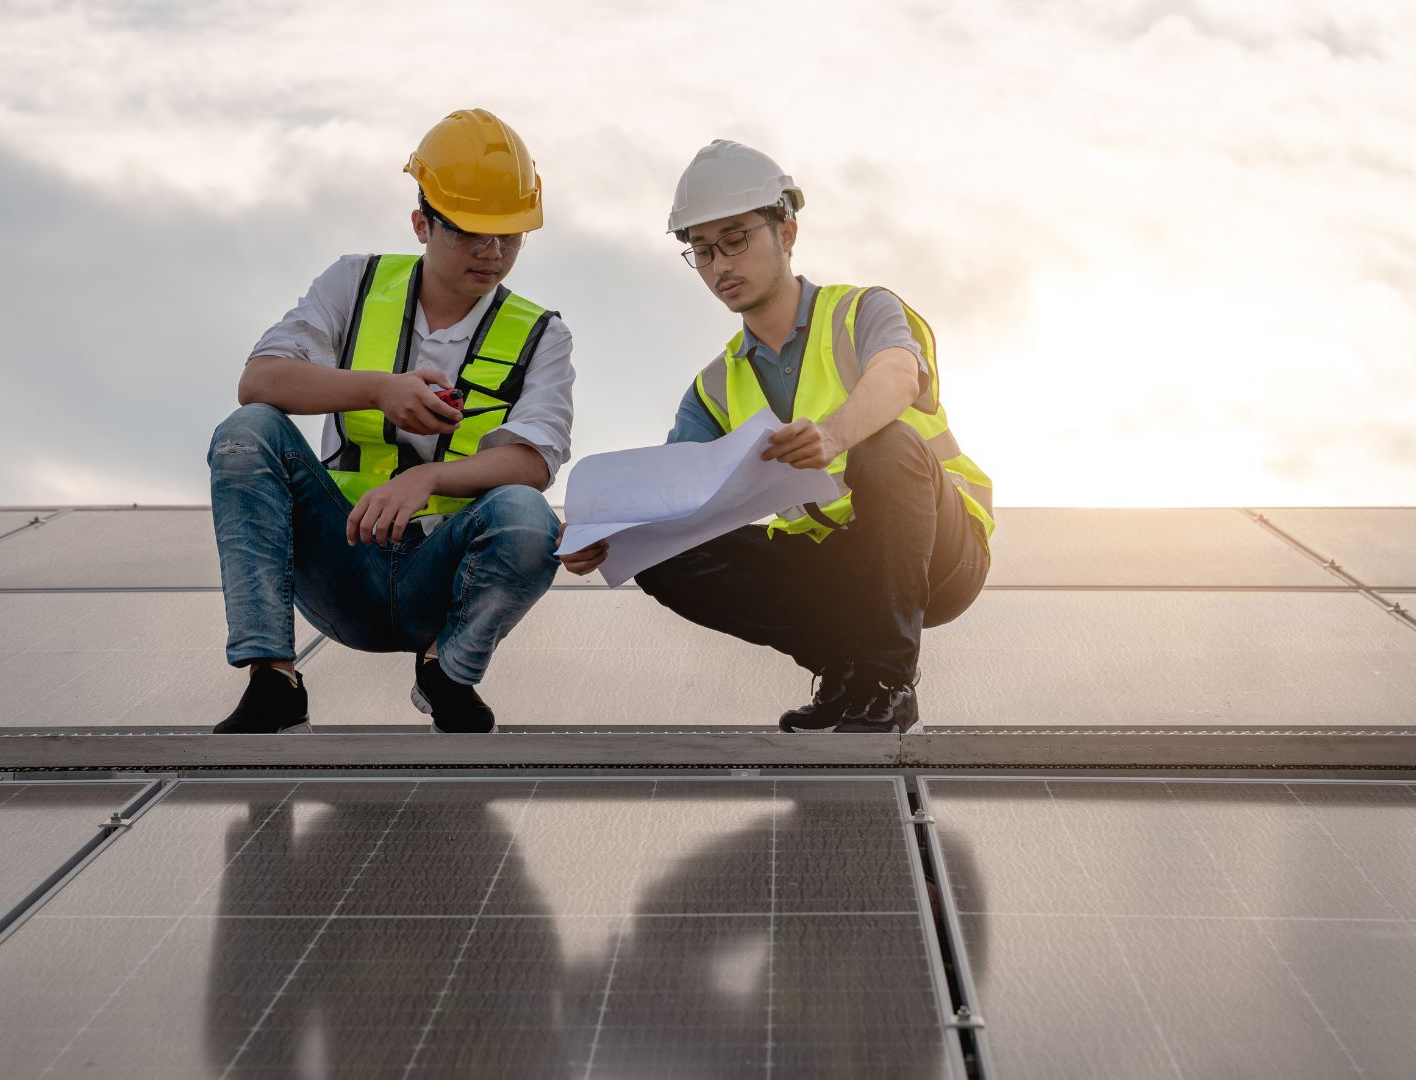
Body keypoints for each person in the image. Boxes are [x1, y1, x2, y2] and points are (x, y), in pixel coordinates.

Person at [560, 140, 993, 733]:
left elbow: (896, 375)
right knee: (659, 548)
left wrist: (835, 435)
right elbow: (668, 495)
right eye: (703, 250)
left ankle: (887, 681)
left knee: (884, 445)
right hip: (840, 568)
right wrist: (600, 536)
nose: (719, 265)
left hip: (940, 554)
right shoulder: (714, 387)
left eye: (735, 239)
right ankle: (842, 668)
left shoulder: (863, 311)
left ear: (786, 232)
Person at [208, 109, 574, 735]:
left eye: (509, 236)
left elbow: (536, 460)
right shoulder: (354, 283)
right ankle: (271, 678)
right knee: (247, 433)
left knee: (529, 515)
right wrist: (377, 390)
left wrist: (427, 479)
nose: (492, 253)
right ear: (421, 224)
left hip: (445, 575)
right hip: (344, 558)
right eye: (469, 233)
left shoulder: (543, 335)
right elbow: (259, 381)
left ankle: (448, 671)